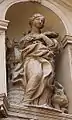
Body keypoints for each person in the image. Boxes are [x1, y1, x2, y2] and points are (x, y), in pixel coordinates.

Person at [12, 13, 59, 106]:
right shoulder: (26, 37)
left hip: (45, 58)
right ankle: (27, 100)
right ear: (32, 21)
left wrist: (43, 36)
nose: (41, 22)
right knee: (37, 75)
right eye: (38, 19)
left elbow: (53, 46)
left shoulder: (44, 36)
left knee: (46, 79)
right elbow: (22, 46)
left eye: (42, 21)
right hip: (32, 58)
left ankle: (43, 103)